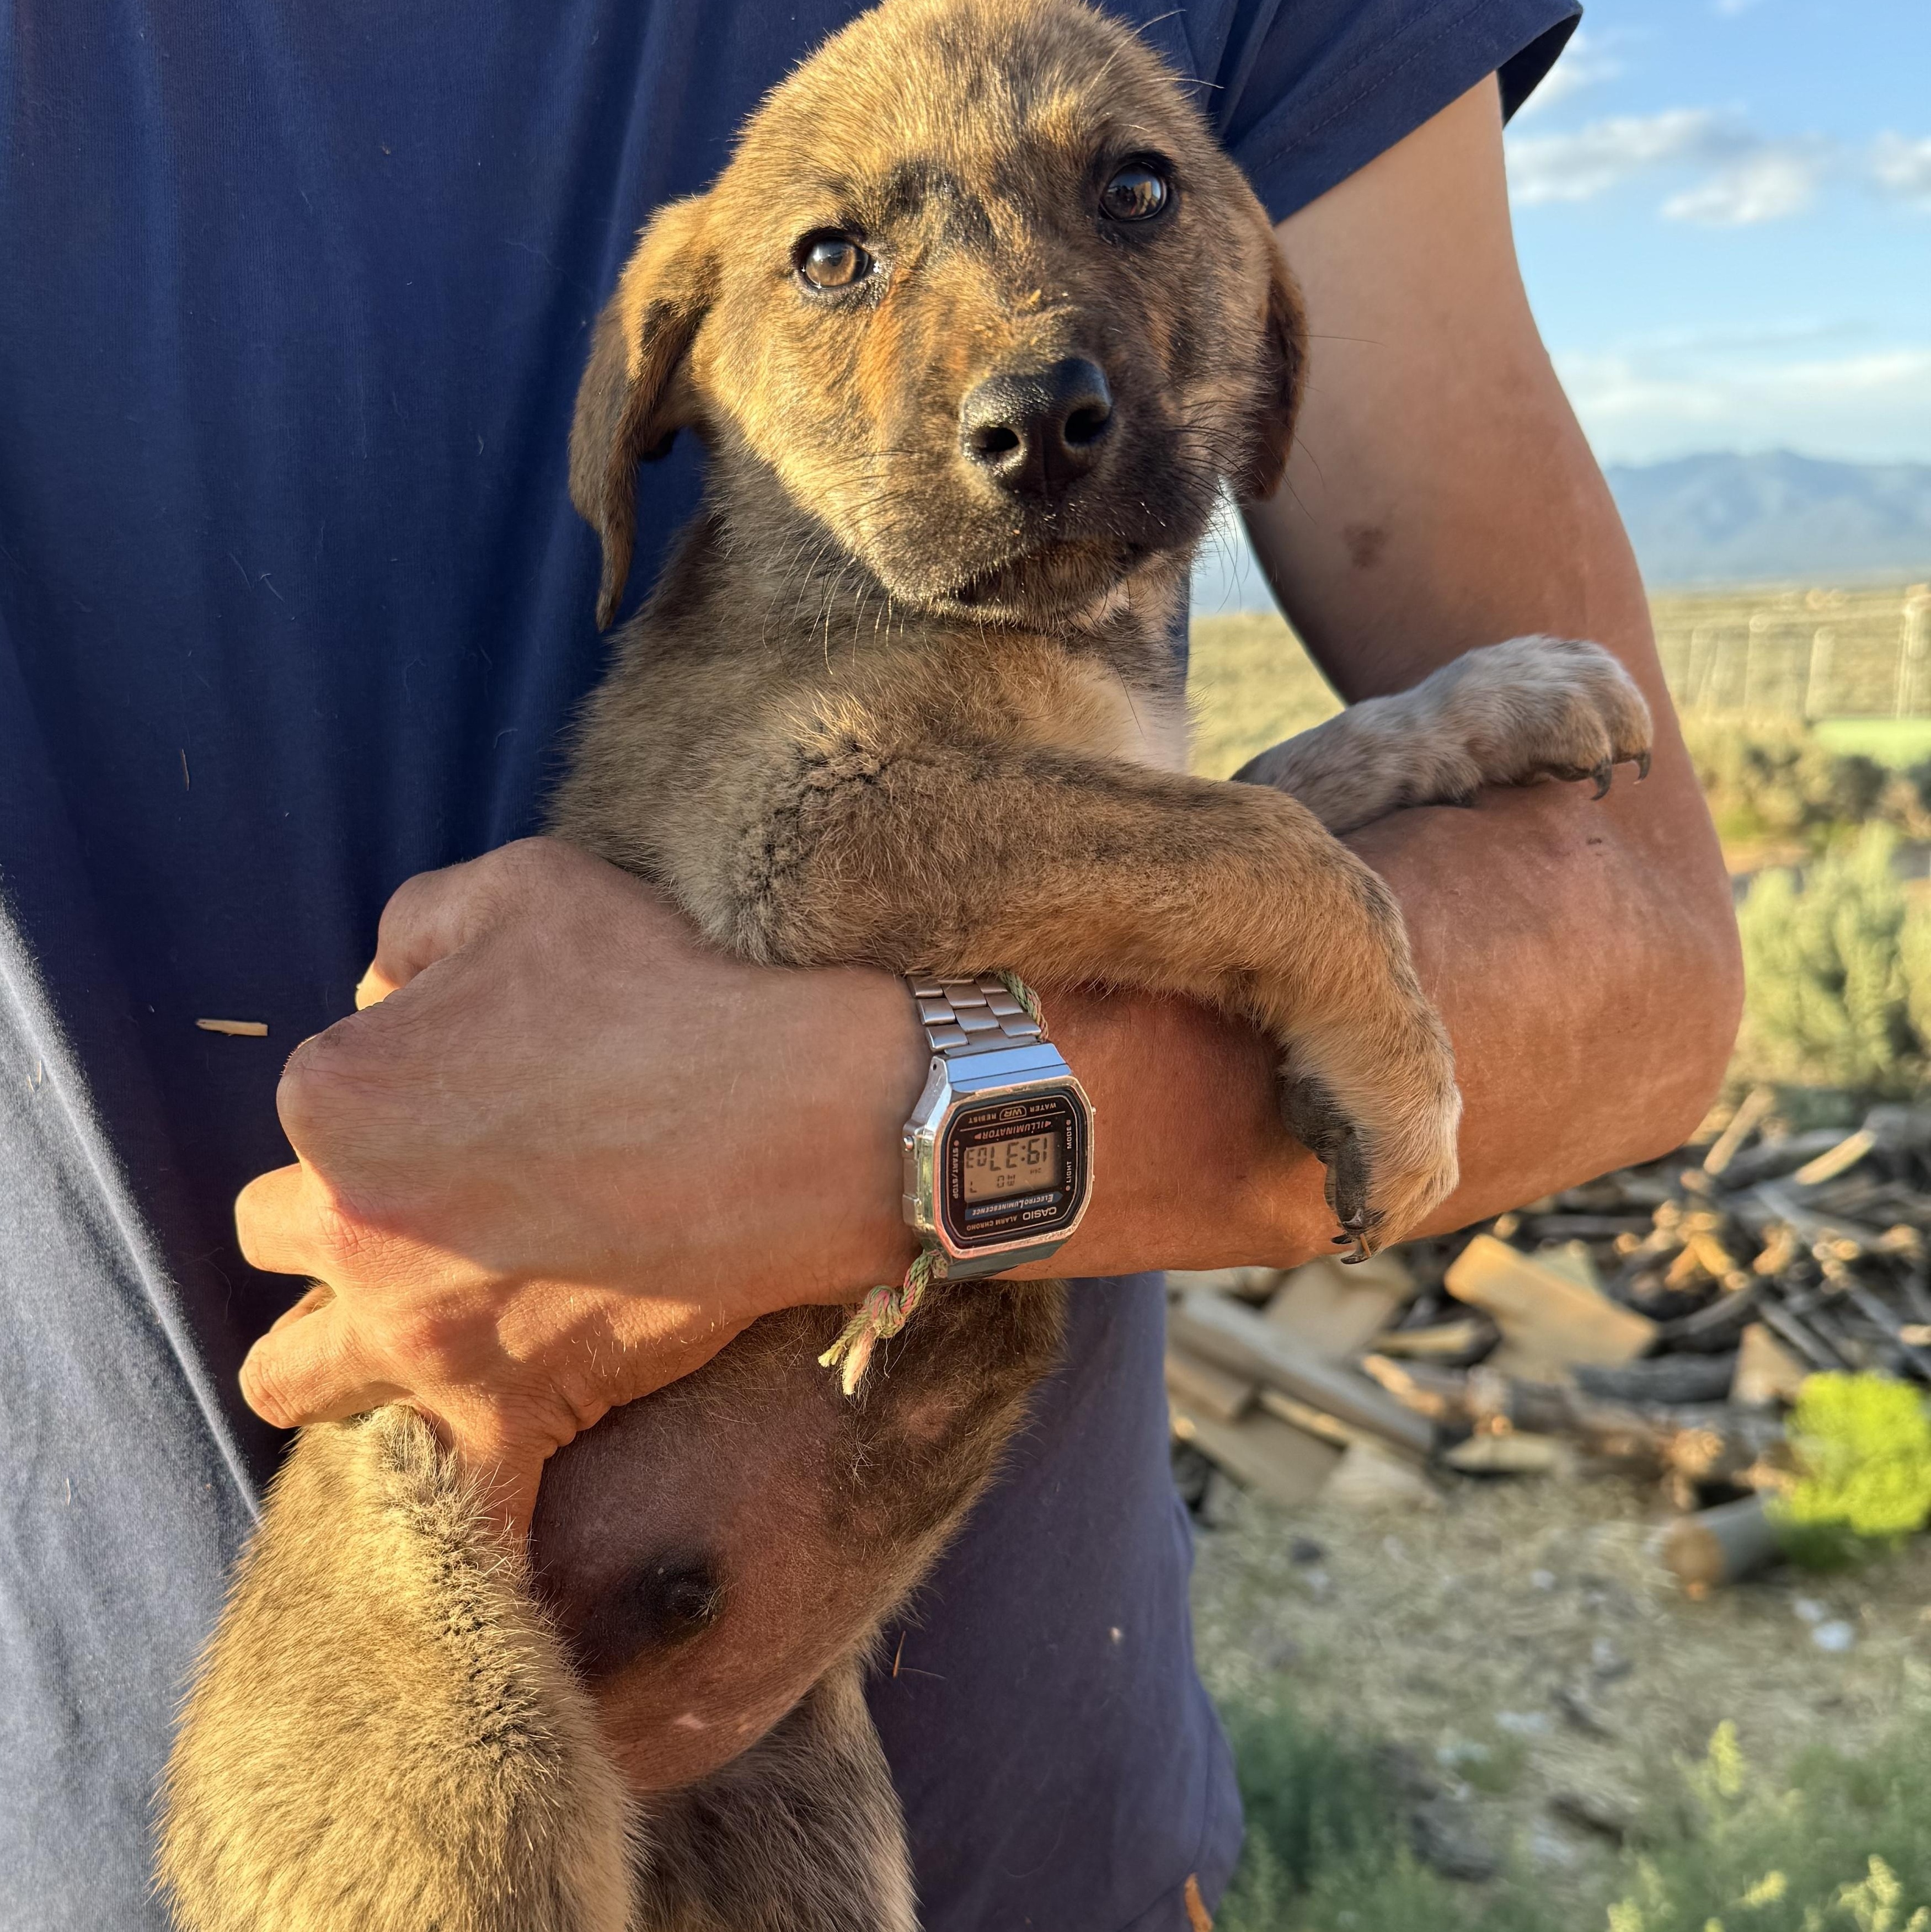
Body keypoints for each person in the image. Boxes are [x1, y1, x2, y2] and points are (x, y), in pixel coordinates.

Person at [0, 1, 1740, 1924]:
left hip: (938, 1787)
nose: (1030, 367)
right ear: (668, 390)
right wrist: (1300, 904)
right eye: (840, 259)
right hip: (423, 1620)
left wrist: (1393, 767)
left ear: (1262, 302)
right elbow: (826, 847)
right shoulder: (810, 690)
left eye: (1135, 195)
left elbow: (1588, 957)